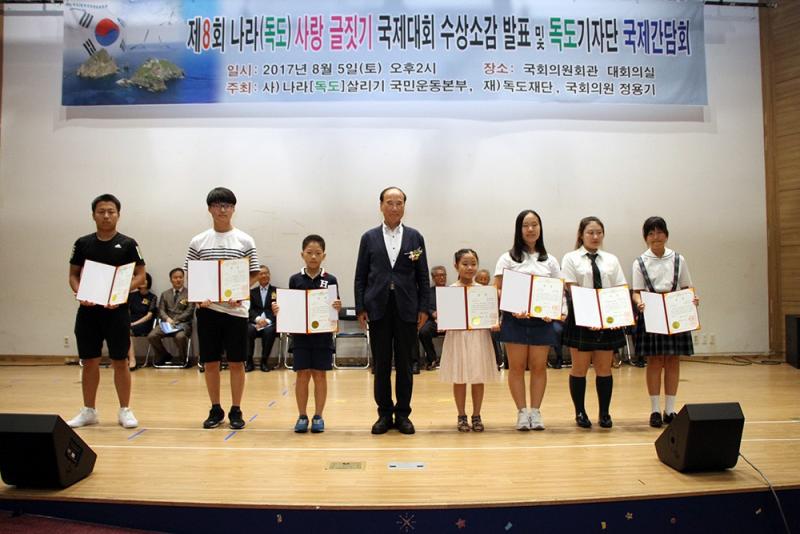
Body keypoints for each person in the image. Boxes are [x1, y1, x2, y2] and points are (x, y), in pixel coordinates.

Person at [354, 186, 430, 435]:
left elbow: (422, 275)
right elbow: (360, 275)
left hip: (407, 308)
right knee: (382, 364)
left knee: (406, 364)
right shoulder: (369, 237)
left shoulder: (415, 237)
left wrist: (424, 307)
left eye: (399, 203)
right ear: (381, 206)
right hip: (378, 307)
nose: (394, 207)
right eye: (390, 202)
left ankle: (404, 414)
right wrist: (360, 306)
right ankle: (384, 414)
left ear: (404, 206)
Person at [67, 194, 146, 429]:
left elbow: (140, 275)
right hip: (89, 313)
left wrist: (120, 292)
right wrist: (80, 292)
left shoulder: (129, 244)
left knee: (120, 360)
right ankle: (89, 411)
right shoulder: (83, 243)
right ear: (93, 215)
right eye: (101, 211)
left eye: (111, 211)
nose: (106, 216)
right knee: (89, 360)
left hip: (117, 312)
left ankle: (125, 410)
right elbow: (73, 275)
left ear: (118, 215)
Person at [185, 187, 259, 430]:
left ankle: (236, 409)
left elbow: (254, 274)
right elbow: (191, 275)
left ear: (234, 209)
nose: (222, 209)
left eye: (227, 205)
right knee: (211, 362)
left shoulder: (245, 240)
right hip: (208, 311)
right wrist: (199, 298)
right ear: (210, 209)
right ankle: (215, 409)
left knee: (237, 362)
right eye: (217, 205)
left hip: (236, 311)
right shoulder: (198, 241)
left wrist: (240, 292)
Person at [494, 210, 561, 431]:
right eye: (525, 225)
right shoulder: (507, 258)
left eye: (534, 224)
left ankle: (536, 411)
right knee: (517, 367)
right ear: (519, 229)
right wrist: (513, 306)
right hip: (515, 320)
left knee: (539, 367)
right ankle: (522, 412)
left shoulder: (550, 260)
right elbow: (498, 289)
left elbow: (557, 290)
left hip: (542, 321)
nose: (530, 229)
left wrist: (552, 310)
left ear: (540, 228)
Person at [631, 217, 699, 428]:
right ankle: (654, 410)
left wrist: (693, 299)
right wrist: (639, 303)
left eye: (659, 232)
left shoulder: (678, 259)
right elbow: (636, 292)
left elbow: (687, 287)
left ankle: (670, 410)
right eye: (651, 233)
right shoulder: (640, 262)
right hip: (652, 312)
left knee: (672, 360)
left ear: (666, 235)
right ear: (645, 238)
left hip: (675, 312)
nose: (655, 237)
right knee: (654, 361)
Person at [561, 216, 627, 429]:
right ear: (581, 235)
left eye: (599, 232)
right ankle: (580, 412)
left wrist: (616, 316)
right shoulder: (571, 258)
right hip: (581, 318)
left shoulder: (611, 259)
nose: (595, 236)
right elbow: (571, 289)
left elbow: (619, 288)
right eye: (590, 232)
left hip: (607, 319)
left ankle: (604, 413)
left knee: (604, 369)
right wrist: (590, 314)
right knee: (579, 368)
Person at [273, 235, 341, 433]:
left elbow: (334, 307)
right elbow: (290, 307)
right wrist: (279, 309)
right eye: (309, 253)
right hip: (301, 337)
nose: (313, 257)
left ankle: (318, 416)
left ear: (324, 256)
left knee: (320, 375)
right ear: (302, 254)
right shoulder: (295, 279)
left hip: (322, 336)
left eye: (317, 253)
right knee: (302, 375)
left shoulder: (330, 280)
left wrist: (337, 306)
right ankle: (302, 416)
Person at [439, 249, 501, 432]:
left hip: (478, 337)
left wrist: (494, 322)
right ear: (456, 265)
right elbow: (445, 317)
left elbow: (492, 316)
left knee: (478, 376)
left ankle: (476, 415)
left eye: (473, 264)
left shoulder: (484, 291)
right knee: (459, 377)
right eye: (465, 264)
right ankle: (461, 415)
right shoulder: (450, 291)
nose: (469, 268)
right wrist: (443, 322)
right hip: (457, 337)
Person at [147, 268, 194, 366]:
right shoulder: (165, 294)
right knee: (152, 336)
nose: (178, 279)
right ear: (171, 279)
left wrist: (175, 320)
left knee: (180, 337)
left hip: (182, 324)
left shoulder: (190, 293)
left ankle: (183, 359)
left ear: (184, 278)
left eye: (180, 277)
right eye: (175, 277)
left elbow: (189, 311)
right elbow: (161, 310)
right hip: (167, 323)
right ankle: (164, 355)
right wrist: (168, 319)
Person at [247, 265, 279, 372]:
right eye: (261, 273)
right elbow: (249, 309)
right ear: (257, 277)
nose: (264, 275)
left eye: (266, 273)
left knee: (269, 331)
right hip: (255, 322)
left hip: (270, 322)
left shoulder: (276, 291)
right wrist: (258, 319)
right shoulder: (251, 292)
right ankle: (249, 361)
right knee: (248, 330)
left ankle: (264, 362)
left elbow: (279, 309)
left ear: (269, 275)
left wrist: (267, 321)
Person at [416, 265, 447, 371]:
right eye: (438, 275)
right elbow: (424, 306)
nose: (442, 277)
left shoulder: (452, 290)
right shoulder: (428, 292)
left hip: (450, 322)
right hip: (433, 321)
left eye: (443, 275)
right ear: (433, 278)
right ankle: (432, 359)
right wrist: (432, 313)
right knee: (423, 332)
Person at [127, 272, 157, 370]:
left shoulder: (152, 297)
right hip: (131, 321)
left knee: (126, 330)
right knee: (119, 328)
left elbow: (149, 316)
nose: (142, 282)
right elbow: (127, 311)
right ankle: (121, 359)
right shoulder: (132, 296)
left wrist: (134, 323)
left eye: (145, 279)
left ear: (149, 281)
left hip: (144, 323)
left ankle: (132, 360)